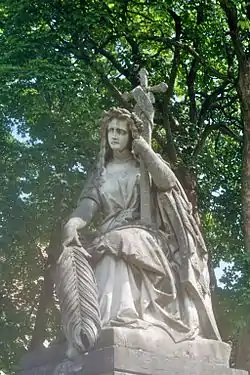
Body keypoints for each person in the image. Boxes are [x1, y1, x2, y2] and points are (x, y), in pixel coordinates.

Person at [61, 107, 220, 355]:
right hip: (110, 234)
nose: (114, 136)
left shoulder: (142, 168)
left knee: (116, 244)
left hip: (147, 235)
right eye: (110, 130)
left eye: (121, 132)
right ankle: (95, 325)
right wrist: (74, 223)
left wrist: (146, 150)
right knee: (96, 249)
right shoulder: (100, 172)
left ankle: (124, 316)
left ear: (131, 135)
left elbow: (167, 183)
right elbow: (88, 205)